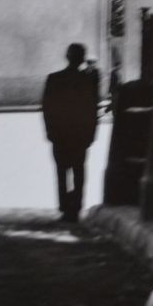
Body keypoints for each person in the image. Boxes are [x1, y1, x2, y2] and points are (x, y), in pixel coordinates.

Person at [42, 43, 99, 223]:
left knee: (61, 170)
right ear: (82, 58)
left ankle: (65, 206)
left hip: (60, 133)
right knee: (79, 170)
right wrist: (91, 133)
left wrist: (49, 130)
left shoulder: (54, 79)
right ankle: (76, 206)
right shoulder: (88, 80)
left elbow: (47, 108)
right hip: (80, 134)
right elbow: (92, 108)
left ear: (67, 57)